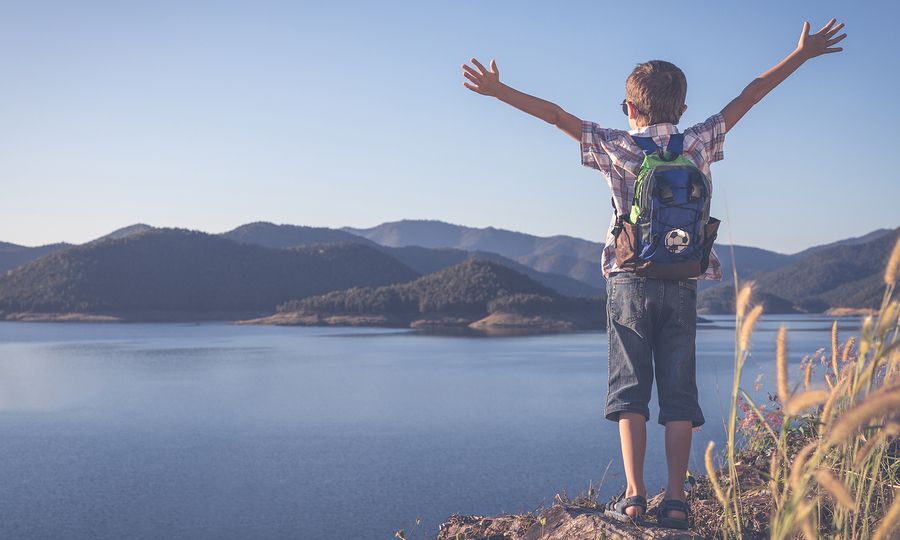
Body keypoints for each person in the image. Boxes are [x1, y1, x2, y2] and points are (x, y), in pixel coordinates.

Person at [461, 18, 846, 529]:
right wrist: (800, 54)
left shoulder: (617, 145)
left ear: (632, 108)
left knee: (630, 392)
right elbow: (751, 95)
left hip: (628, 283)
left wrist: (497, 90)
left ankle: (636, 496)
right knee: (679, 393)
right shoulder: (698, 141)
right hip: (684, 282)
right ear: (681, 108)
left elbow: (555, 115)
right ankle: (677, 498)